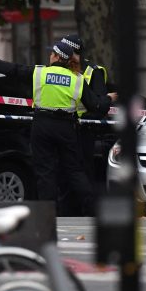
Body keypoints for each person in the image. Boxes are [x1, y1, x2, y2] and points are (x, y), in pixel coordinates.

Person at [0, 41, 116, 216]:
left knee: (45, 171)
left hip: (42, 126)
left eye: (51, 53)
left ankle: (48, 213)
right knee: (75, 170)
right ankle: (94, 209)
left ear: (55, 56)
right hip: (66, 127)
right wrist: (108, 98)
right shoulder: (77, 79)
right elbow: (96, 105)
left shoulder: (39, 73)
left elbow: (13, 69)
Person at [60, 34, 110, 212]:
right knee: (66, 170)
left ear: (73, 52)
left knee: (83, 170)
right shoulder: (62, 69)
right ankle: (68, 209)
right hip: (66, 126)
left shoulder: (93, 71)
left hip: (84, 129)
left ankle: (86, 209)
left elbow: (99, 104)